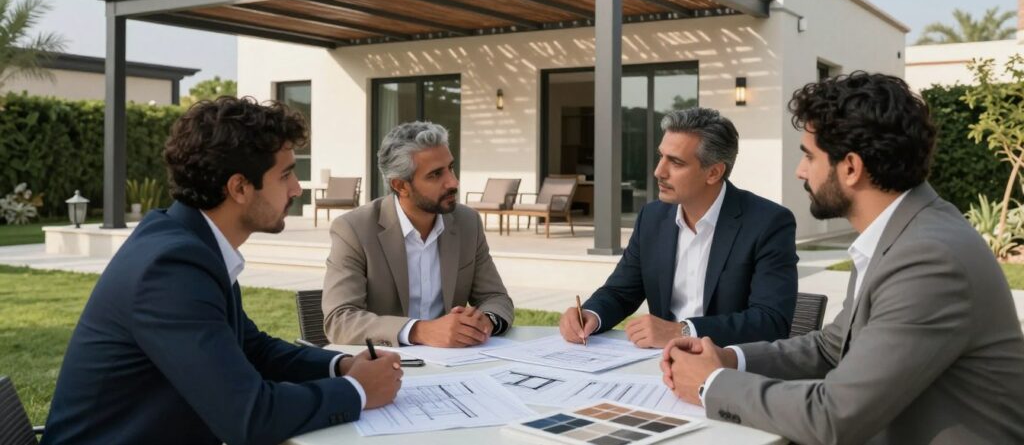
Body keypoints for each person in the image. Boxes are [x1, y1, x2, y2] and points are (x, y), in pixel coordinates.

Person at [661, 73, 1024, 444]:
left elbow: (834, 417)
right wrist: (730, 359)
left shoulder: (929, 259)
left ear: (851, 167)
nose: (800, 171)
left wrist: (711, 384)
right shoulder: (900, 233)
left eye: (809, 156)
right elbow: (832, 347)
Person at [42, 97, 403, 445]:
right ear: (239, 187)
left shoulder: (190, 242)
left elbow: (252, 348)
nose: (297, 189)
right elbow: (248, 418)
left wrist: (342, 365)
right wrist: (357, 390)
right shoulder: (171, 268)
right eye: (286, 175)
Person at [559, 107, 798, 348]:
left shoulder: (768, 223)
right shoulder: (652, 218)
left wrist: (684, 331)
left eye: (676, 162)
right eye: (661, 156)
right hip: (659, 361)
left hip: (727, 363)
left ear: (714, 172)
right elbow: (620, 292)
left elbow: (771, 321)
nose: (659, 171)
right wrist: (591, 314)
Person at [322, 121, 514, 347]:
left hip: (454, 360)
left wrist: (486, 321)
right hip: (387, 362)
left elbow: (495, 297)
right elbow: (340, 320)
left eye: (451, 168)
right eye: (436, 174)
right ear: (400, 186)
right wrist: (420, 331)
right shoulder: (354, 230)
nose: (453, 182)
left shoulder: (467, 223)